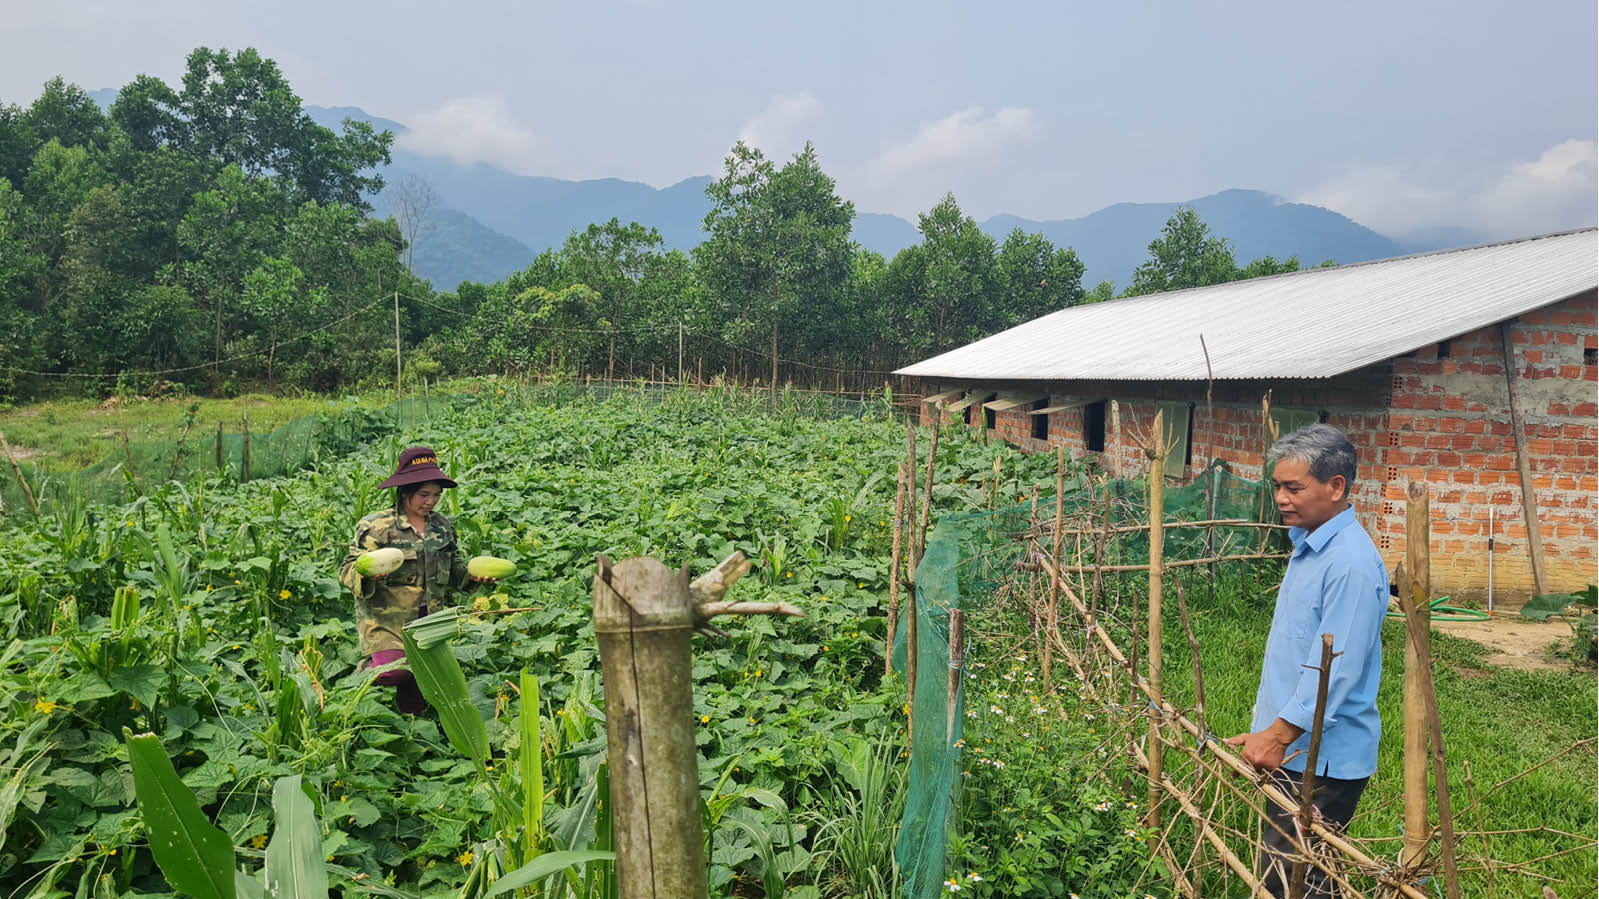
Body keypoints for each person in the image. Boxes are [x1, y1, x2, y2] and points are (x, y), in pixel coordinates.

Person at [1224, 424, 1388, 897]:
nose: (1281, 498)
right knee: (1297, 878)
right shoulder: (1312, 549)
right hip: (1295, 751)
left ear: (1336, 487)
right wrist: (1267, 732)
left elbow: (1334, 671)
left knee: (1294, 883)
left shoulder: (1350, 565)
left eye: (1293, 487)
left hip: (1320, 763)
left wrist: (1277, 737)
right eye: (1277, 486)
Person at [339, 446, 489, 714]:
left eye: (436, 495)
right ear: (405, 492)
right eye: (423, 495)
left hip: (429, 616)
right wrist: (367, 573)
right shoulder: (377, 527)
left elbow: (454, 568)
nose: (430, 502)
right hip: (386, 619)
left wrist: (474, 576)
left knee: (421, 679)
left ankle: (414, 726)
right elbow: (348, 569)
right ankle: (363, 672)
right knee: (394, 673)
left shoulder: (441, 526)